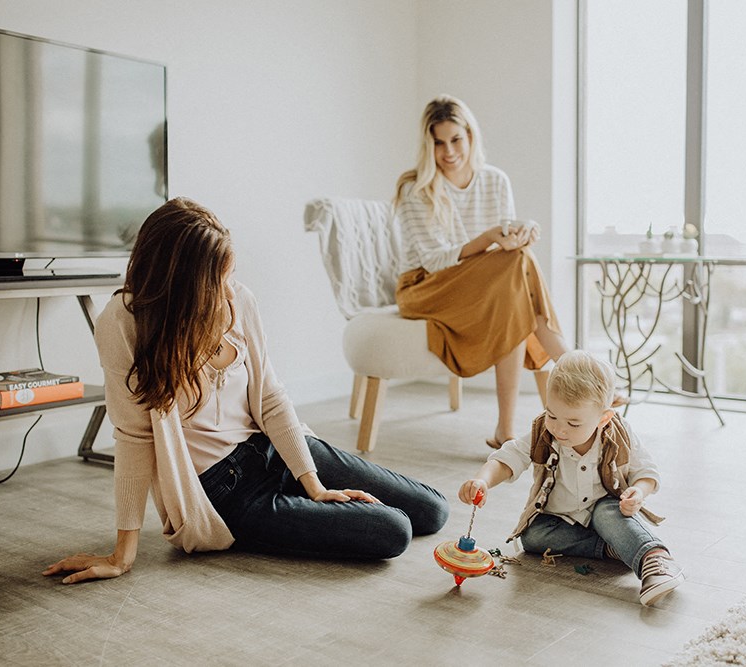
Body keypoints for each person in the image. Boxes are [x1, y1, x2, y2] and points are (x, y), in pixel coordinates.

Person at [43, 197, 449, 584]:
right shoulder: (124, 322)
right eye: (217, 280)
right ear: (183, 286)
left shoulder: (240, 301)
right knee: (393, 530)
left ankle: (304, 496)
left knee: (433, 511)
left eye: (230, 275)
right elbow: (134, 436)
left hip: (271, 447)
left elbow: (271, 398)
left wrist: (314, 485)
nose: (229, 290)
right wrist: (122, 554)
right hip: (226, 489)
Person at [393, 94, 578, 449]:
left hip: (480, 285)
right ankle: (575, 368)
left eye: (456, 139)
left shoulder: (495, 180)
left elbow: (502, 251)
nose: (448, 152)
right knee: (515, 270)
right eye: (438, 143)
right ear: (427, 145)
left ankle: (505, 431)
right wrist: (491, 238)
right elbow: (433, 260)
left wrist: (520, 233)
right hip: (425, 287)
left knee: (515, 275)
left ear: (470, 137)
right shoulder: (415, 188)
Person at [457, 350, 684, 606]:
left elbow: (647, 472)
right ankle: (613, 546)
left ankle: (654, 560)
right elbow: (509, 457)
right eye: (552, 415)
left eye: (574, 423)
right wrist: (482, 480)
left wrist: (639, 492)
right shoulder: (543, 431)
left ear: (603, 418)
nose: (559, 428)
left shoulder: (618, 433)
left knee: (608, 514)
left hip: (606, 509)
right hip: (559, 519)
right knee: (532, 537)